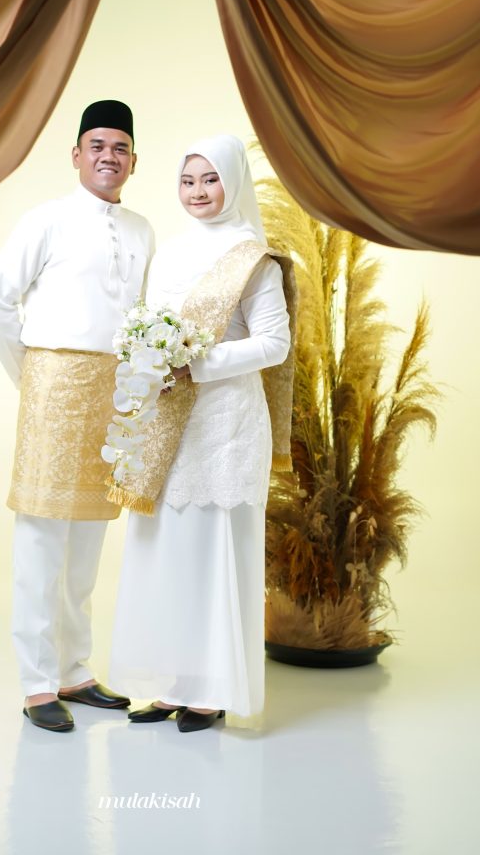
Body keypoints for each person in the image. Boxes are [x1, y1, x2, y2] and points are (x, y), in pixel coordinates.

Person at [0, 100, 155, 733]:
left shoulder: (142, 230)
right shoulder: (46, 220)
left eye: (120, 148)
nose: (109, 157)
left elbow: (141, 319)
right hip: (54, 388)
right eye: (97, 145)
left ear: (134, 161)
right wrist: (32, 376)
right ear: (77, 154)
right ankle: (36, 684)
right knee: (41, 540)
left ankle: (74, 671)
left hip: (114, 392)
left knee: (88, 540)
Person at [107, 134, 292, 733]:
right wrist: (149, 357)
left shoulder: (254, 259)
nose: (197, 192)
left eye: (210, 179)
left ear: (232, 183)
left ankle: (211, 692)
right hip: (167, 421)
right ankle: (173, 685)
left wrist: (197, 362)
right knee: (167, 550)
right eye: (188, 181)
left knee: (213, 551)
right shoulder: (170, 252)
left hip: (225, 423)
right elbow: (147, 325)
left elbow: (274, 344)